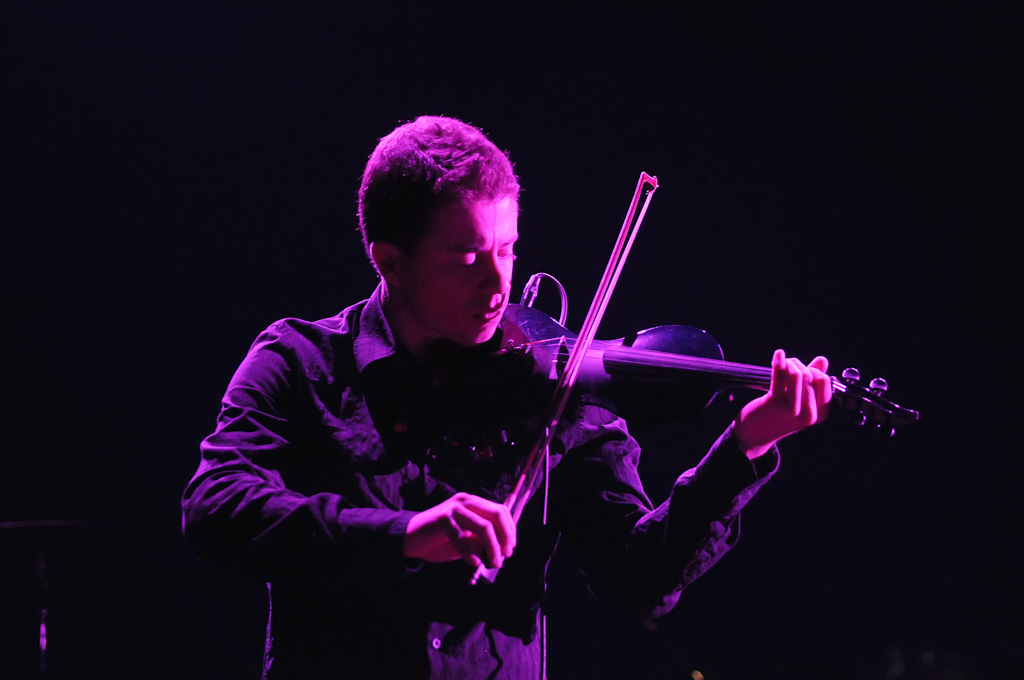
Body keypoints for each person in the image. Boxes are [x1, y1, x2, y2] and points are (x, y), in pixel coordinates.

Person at [181, 115, 832, 679]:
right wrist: (403, 535)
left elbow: (637, 582)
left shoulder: (552, 386)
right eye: (467, 258)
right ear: (390, 261)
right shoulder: (300, 361)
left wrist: (747, 446)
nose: (497, 286)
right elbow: (216, 507)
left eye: (508, 250)